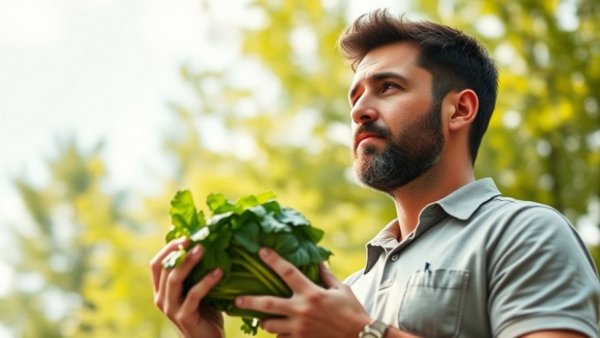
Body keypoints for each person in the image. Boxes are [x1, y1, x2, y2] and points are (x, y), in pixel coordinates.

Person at [149, 9, 600, 338]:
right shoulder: (349, 289)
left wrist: (364, 334)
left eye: (388, 87)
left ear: (459, 109)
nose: (361, 110)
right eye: (355, 98)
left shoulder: (524, 233)